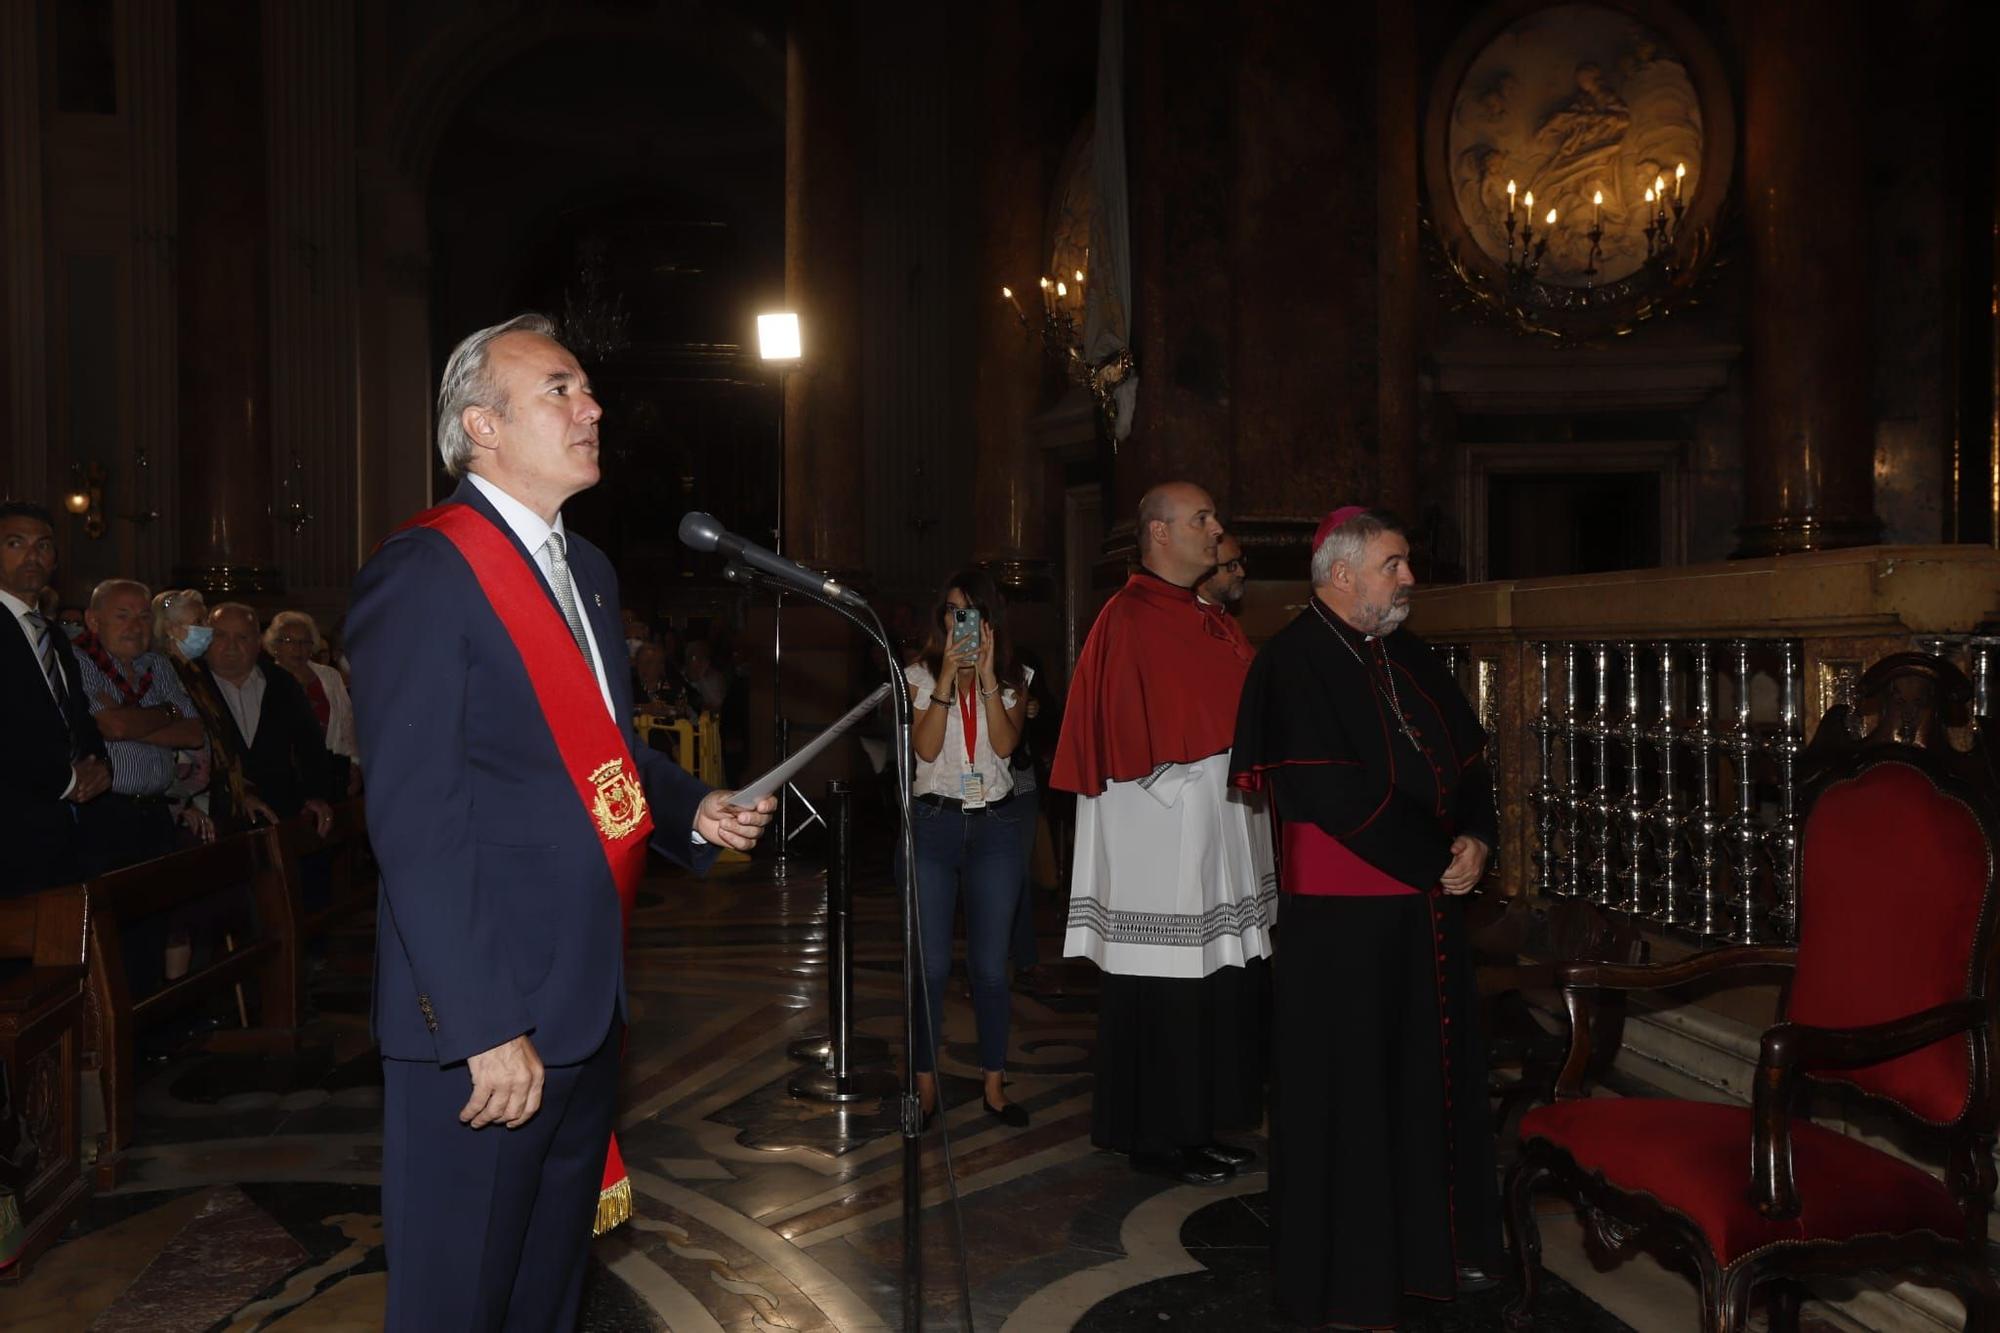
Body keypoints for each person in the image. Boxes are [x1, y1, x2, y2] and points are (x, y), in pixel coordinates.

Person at [347, 312, 775, 1330]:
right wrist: (482, 1020)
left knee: (544, 1295)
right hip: (485, 1018)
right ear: (481, 426)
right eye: (560, 390)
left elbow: (604, 751)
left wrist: (689, 809)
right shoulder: (423, 573)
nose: (592, 409)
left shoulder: (584, 569)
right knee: (460, 1300)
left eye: (586, 391)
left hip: (586, 997)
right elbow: (415, 817)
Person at [1229, 506, 1503, 1328]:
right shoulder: (1291, 662)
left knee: (1423, 1092)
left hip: (1424, 916)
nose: (1409, 578)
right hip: (1342, 935)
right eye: (1395, 564)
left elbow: (1472, 759)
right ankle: (1349, 1280)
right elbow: (1333, 793)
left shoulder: (1406, 653)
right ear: (1342, 574)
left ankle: (1427, 1259)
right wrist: (1435, 856)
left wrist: (1479, 839)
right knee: (1349, 1104)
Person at [1051, 481, 1275, 1186]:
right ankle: (1159, 1135)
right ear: (1158, 533)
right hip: (1161, 826)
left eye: (1214, 514)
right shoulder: (1128, 617)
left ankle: (1196, 1125)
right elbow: (1125, 732)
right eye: (1201, 518)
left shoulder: (1201, 615)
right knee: (1166, 987)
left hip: (1211, 826)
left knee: (1211, 983)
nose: (1216, 528)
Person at [903, 569, 1033, 1128]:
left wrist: (982, 679)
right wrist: (944, 683)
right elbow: (926, 751)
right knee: (930, 967)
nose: (963, 623)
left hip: (996, 830)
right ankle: (926, 1085)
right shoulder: (916, 675)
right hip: (934, 825)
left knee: (988, 968)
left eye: (972, 613)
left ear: (991, 621)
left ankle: (994, 1086)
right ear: (944, 620)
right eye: (955, 612)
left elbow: (1006, 743)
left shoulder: (1013, 679)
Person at [0, 502, 110, 895]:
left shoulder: (55, 636)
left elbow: (77, 716)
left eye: (43, 546)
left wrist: (100, 766)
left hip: (64, 834)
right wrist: (66, 780)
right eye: (16, 543)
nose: (33, 555)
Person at [73, 578, 212, 867]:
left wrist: (124, 722)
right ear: (93, 620)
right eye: (122, 616)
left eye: (144, 617)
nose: (135, 627)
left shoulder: (157, 665)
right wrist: (168, 712)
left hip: (158, 815)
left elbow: (195, 733)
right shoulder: (79, 660)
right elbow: (113, 727)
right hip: (105, 815)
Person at [202, 603, 339, 836]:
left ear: (258, 643)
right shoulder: (193, 685)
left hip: (281, 818)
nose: (231, 646)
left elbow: (310, 747)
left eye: (242, 637)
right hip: (215, 823)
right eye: (220, 635)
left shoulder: (282, 683)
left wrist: (315, 795)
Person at [264, 610, 360, 794]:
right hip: (286, 780)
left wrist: (354, 765)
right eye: (289, 641)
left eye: (304, 642)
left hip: (334, 773)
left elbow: (348, 724)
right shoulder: (263, 680)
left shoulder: (330, 676)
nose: (298, 648)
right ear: (274, 645)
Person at [1196, 534, 1246, 610]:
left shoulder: (1225, 618)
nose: (1241, 573)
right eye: (1231, 565)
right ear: (1205, 571)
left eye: (1241, 561)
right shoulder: (1186, 619)